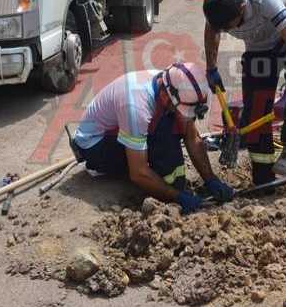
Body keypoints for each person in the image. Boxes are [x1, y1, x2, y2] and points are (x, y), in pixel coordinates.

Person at [69, 63, 235, 215]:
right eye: (182, 110)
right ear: (164, 96)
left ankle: (170, 182)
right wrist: (177, 196)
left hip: (118, 128)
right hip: (95, 146)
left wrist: (211, 179)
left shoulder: (172, 85)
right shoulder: (136, 107)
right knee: (165, 132)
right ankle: (169, 188)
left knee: (175, 123)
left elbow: (192, 136)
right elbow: (138, 172)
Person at [202, 0, 286, 185]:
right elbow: (212, 31)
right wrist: (211, 68)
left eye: (230, 27)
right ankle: (263, 175)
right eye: (223, 29)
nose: (227, 31)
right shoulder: (218, 7)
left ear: (243, 8)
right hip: (259, 46)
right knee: (256, 108)